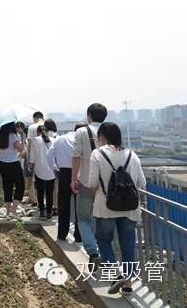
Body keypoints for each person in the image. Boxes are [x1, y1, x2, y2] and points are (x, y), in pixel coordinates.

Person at [87, 122, 146, 295]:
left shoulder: (97, 154)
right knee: (128, 245)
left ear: (103, 137)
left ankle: (115, 275)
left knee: (103, 240)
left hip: (105, 208)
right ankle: (127, 283)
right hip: (129, 208)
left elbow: (92, 184)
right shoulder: (132, 155)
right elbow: (141, 182)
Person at [71, 103, 107, 267]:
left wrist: (73, 179)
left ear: (89, 115)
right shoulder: (110, 130)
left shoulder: (81, 132)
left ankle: (93, 252)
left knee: (84, 219)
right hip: (106, 184)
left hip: (86, 182)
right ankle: (107, 254)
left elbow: (76, 156)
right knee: (104, 219)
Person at [48, 122, 84, 243]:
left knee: (63, 204)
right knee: (80, 206)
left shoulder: (60, 139)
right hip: (79, 173)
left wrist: (54, 168)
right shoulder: (82, 140)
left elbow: (49, 155)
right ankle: (79, 236)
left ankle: (62, 234)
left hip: (63, 173)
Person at [0, 121, 25, 218]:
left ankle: (8, 213)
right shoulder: (13, 136)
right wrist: (23, 137)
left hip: (2, 164)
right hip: (13, 164)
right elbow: (21, 149)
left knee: (7, 187)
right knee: (20, 186)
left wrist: (3, 151)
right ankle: (13, 211)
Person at [29, 124, 56, 219]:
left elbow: (32, 158)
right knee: (49, 192)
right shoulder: (53, 140)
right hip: (51, 170)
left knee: (40, 191)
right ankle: (49, 212)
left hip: (39, 170)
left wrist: (31, 167)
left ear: (38, 132)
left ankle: (41, 211)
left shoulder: (35, 140)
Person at [26, 112, 44, 205]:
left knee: (34, 179)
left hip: (36, 157)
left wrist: (29, 160)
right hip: (48, 156)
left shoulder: (31, 127)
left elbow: (29, 145)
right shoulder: (48, 124)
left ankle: (35, 200)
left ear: (34, 118)